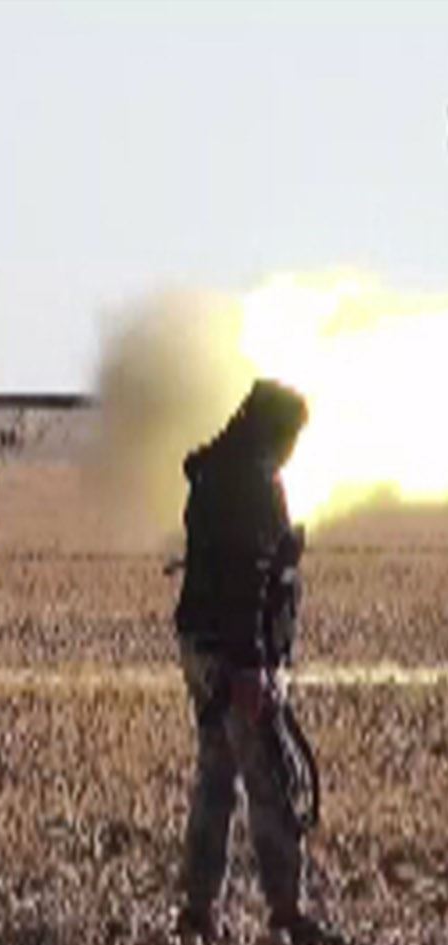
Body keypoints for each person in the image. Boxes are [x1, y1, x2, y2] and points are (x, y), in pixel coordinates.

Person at [172, 379, 346, 944]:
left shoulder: (214, 473)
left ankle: (198, 912)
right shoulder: (254, 482)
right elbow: (246, 579)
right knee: (272, 782)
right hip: (235, 658)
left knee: (215, 780)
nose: (294, 448)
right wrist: (252, 667)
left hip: (201, 650)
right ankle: (288, 914)